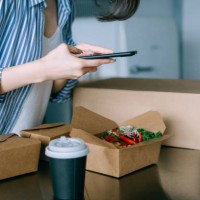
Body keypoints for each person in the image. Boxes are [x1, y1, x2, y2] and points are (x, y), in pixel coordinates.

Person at [0, 0, 140, 135]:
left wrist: (69, 65)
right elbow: (46, 69)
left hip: (24, 145)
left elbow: (50, 87)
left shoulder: (64, 4)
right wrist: (45, 68)